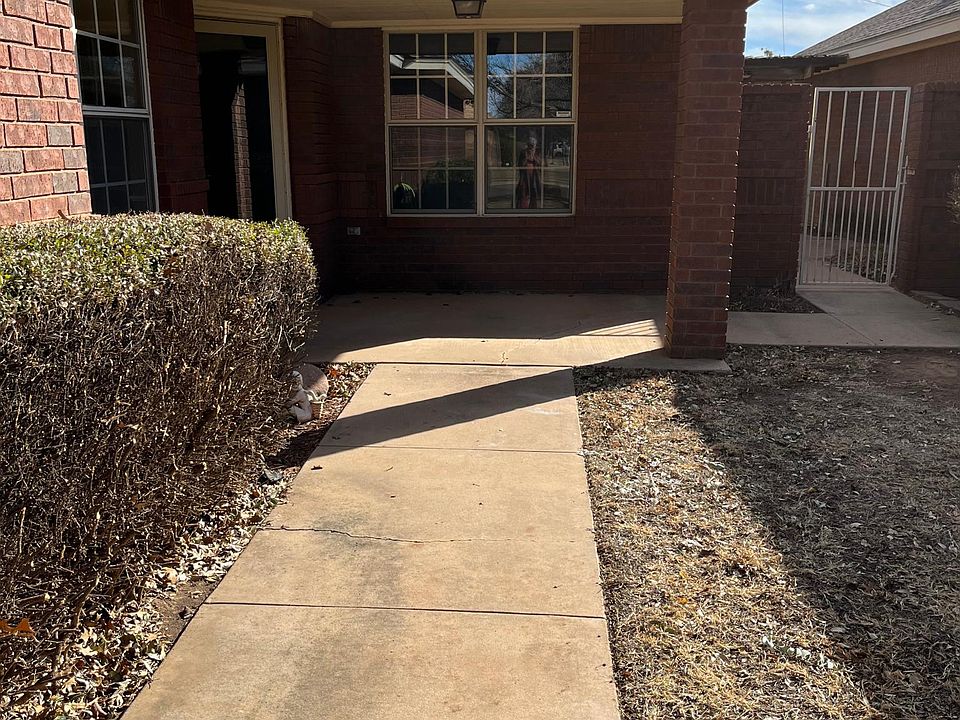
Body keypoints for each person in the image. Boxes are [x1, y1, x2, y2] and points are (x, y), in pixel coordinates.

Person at [515, 134, 542, 209]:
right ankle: (523, 207)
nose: (532, 147)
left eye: (533, 145)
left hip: (534, 175)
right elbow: (520, 164)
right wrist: (527, 159)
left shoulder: (537, 153)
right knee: (524, 190)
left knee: (534, 190)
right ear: (528, 145)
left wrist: (534, 159)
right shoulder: (523, 152)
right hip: (525, 175)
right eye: (530, 145)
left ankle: (533, 207)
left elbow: (540, 163)